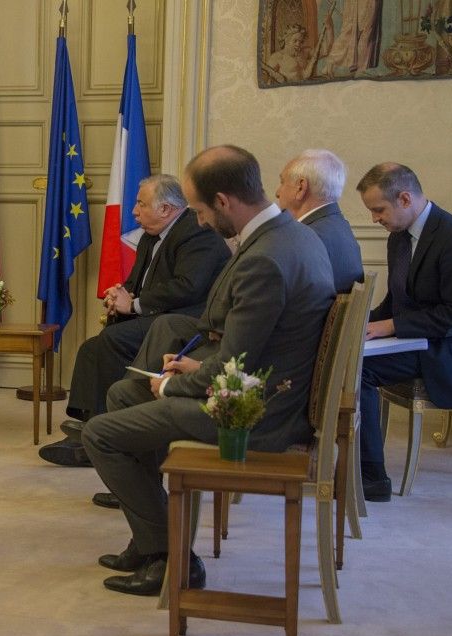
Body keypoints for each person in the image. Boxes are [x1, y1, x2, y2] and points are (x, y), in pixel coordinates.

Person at [81, 145, 335, 596]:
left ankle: (171, 558)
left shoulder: (264, 257)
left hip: (256, 415)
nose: (197, 221)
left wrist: (173, 383)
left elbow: (232, 369)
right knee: (122, 396)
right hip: (261, 386)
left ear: (223, 201)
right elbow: (249, 349)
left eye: (198, 209)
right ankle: (150, 539)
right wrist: (192, 367)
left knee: (99, 434)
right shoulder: (287, 235)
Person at [37, 174, 230, 468]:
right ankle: (88, 428)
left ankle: (99, 433)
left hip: (186, 323)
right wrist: (120, 295)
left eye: (140, 204)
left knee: (112, 341)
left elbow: (188, 286)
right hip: (158, 316)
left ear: (165, 209)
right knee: (92, 346)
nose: (133, 211)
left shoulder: (196, 233)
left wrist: (135, 304)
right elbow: (135, 283)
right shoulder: (151, 236)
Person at [356, 163, 452, 501]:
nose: (374, 218)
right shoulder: (398, 237)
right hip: (425, 340)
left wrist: (389, 326)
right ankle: (353, 462)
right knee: (349, 355)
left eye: (378, 209)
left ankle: (372, 479)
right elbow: (398, 301)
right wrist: (363, 325)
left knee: (358, 370)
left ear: (405, 198)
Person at [275, 148, 364, 292]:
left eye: (282, 182)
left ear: (301, 188)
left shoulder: (304, 238)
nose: (277, 192)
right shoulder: (340, 226)